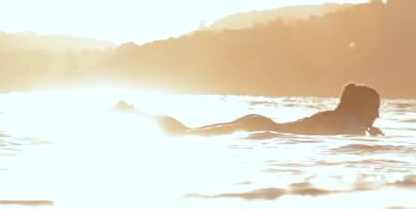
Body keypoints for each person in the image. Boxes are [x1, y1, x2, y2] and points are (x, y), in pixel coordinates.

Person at [120, 83, 385, 137]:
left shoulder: (340, 118)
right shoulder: (350, 124)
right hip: (261, 127)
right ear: (361, 107)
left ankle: (134, 113)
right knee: (184, 134)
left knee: (185, 132)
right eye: (375, 109)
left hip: (260, 124)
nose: (376, 116)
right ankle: (133, 114)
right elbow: (352, 133)